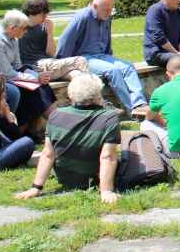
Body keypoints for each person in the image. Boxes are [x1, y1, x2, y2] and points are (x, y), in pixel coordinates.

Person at [15, 74, 122, 203]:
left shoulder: (56, 115)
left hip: (65, 179)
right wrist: (106, 191)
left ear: (71, 94)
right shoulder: (108, 117)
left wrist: (36, 188)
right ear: (97, 95)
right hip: (94, 178)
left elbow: (48, 154)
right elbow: (107, 157)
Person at [56, 0, 150, 116]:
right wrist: (63, 65)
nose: (109, 13)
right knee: (113, 71)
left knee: (128, 67)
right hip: (83, 59)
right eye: (106, 10)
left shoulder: (106, 17)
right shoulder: (83, 17)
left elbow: (107, 38)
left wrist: (108, 55)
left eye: (111, 9)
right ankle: (132, 110)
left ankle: (139, 104)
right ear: (95, 6)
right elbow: (65, 39)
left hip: (101, 56)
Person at [0, 10, 57, 132]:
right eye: (24, 28)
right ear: (12, 28)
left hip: (12, 75)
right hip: (1, 79)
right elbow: (7, 74)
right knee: (29, 90)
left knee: (40, 83)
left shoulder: (14, 38)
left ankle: (53, 120)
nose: (26, 32)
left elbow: (18, 65)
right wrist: (35, 78)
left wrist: (37, 76)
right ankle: (27, 128)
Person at [19, 0, 88, 81]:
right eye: (42, 14)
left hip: (49, 63)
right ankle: (93, 91)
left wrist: (50, 33)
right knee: (80, 61)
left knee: (77, 74)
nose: (45, 17)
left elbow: (51, 53)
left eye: (46, 14)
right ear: (31, 13)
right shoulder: (19, 29)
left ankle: (86, 93)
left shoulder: (42, 27)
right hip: (36, 67)